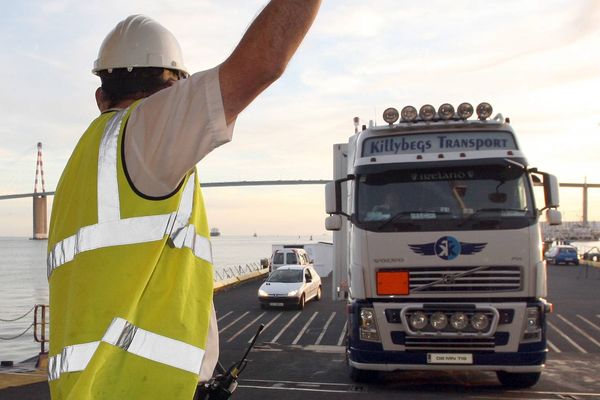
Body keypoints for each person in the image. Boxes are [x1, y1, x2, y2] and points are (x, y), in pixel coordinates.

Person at [46, 2, 321, 399]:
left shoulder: (84, 164)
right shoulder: (143, 135)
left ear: (99, 96)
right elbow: (264, 62)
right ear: (173, 89)